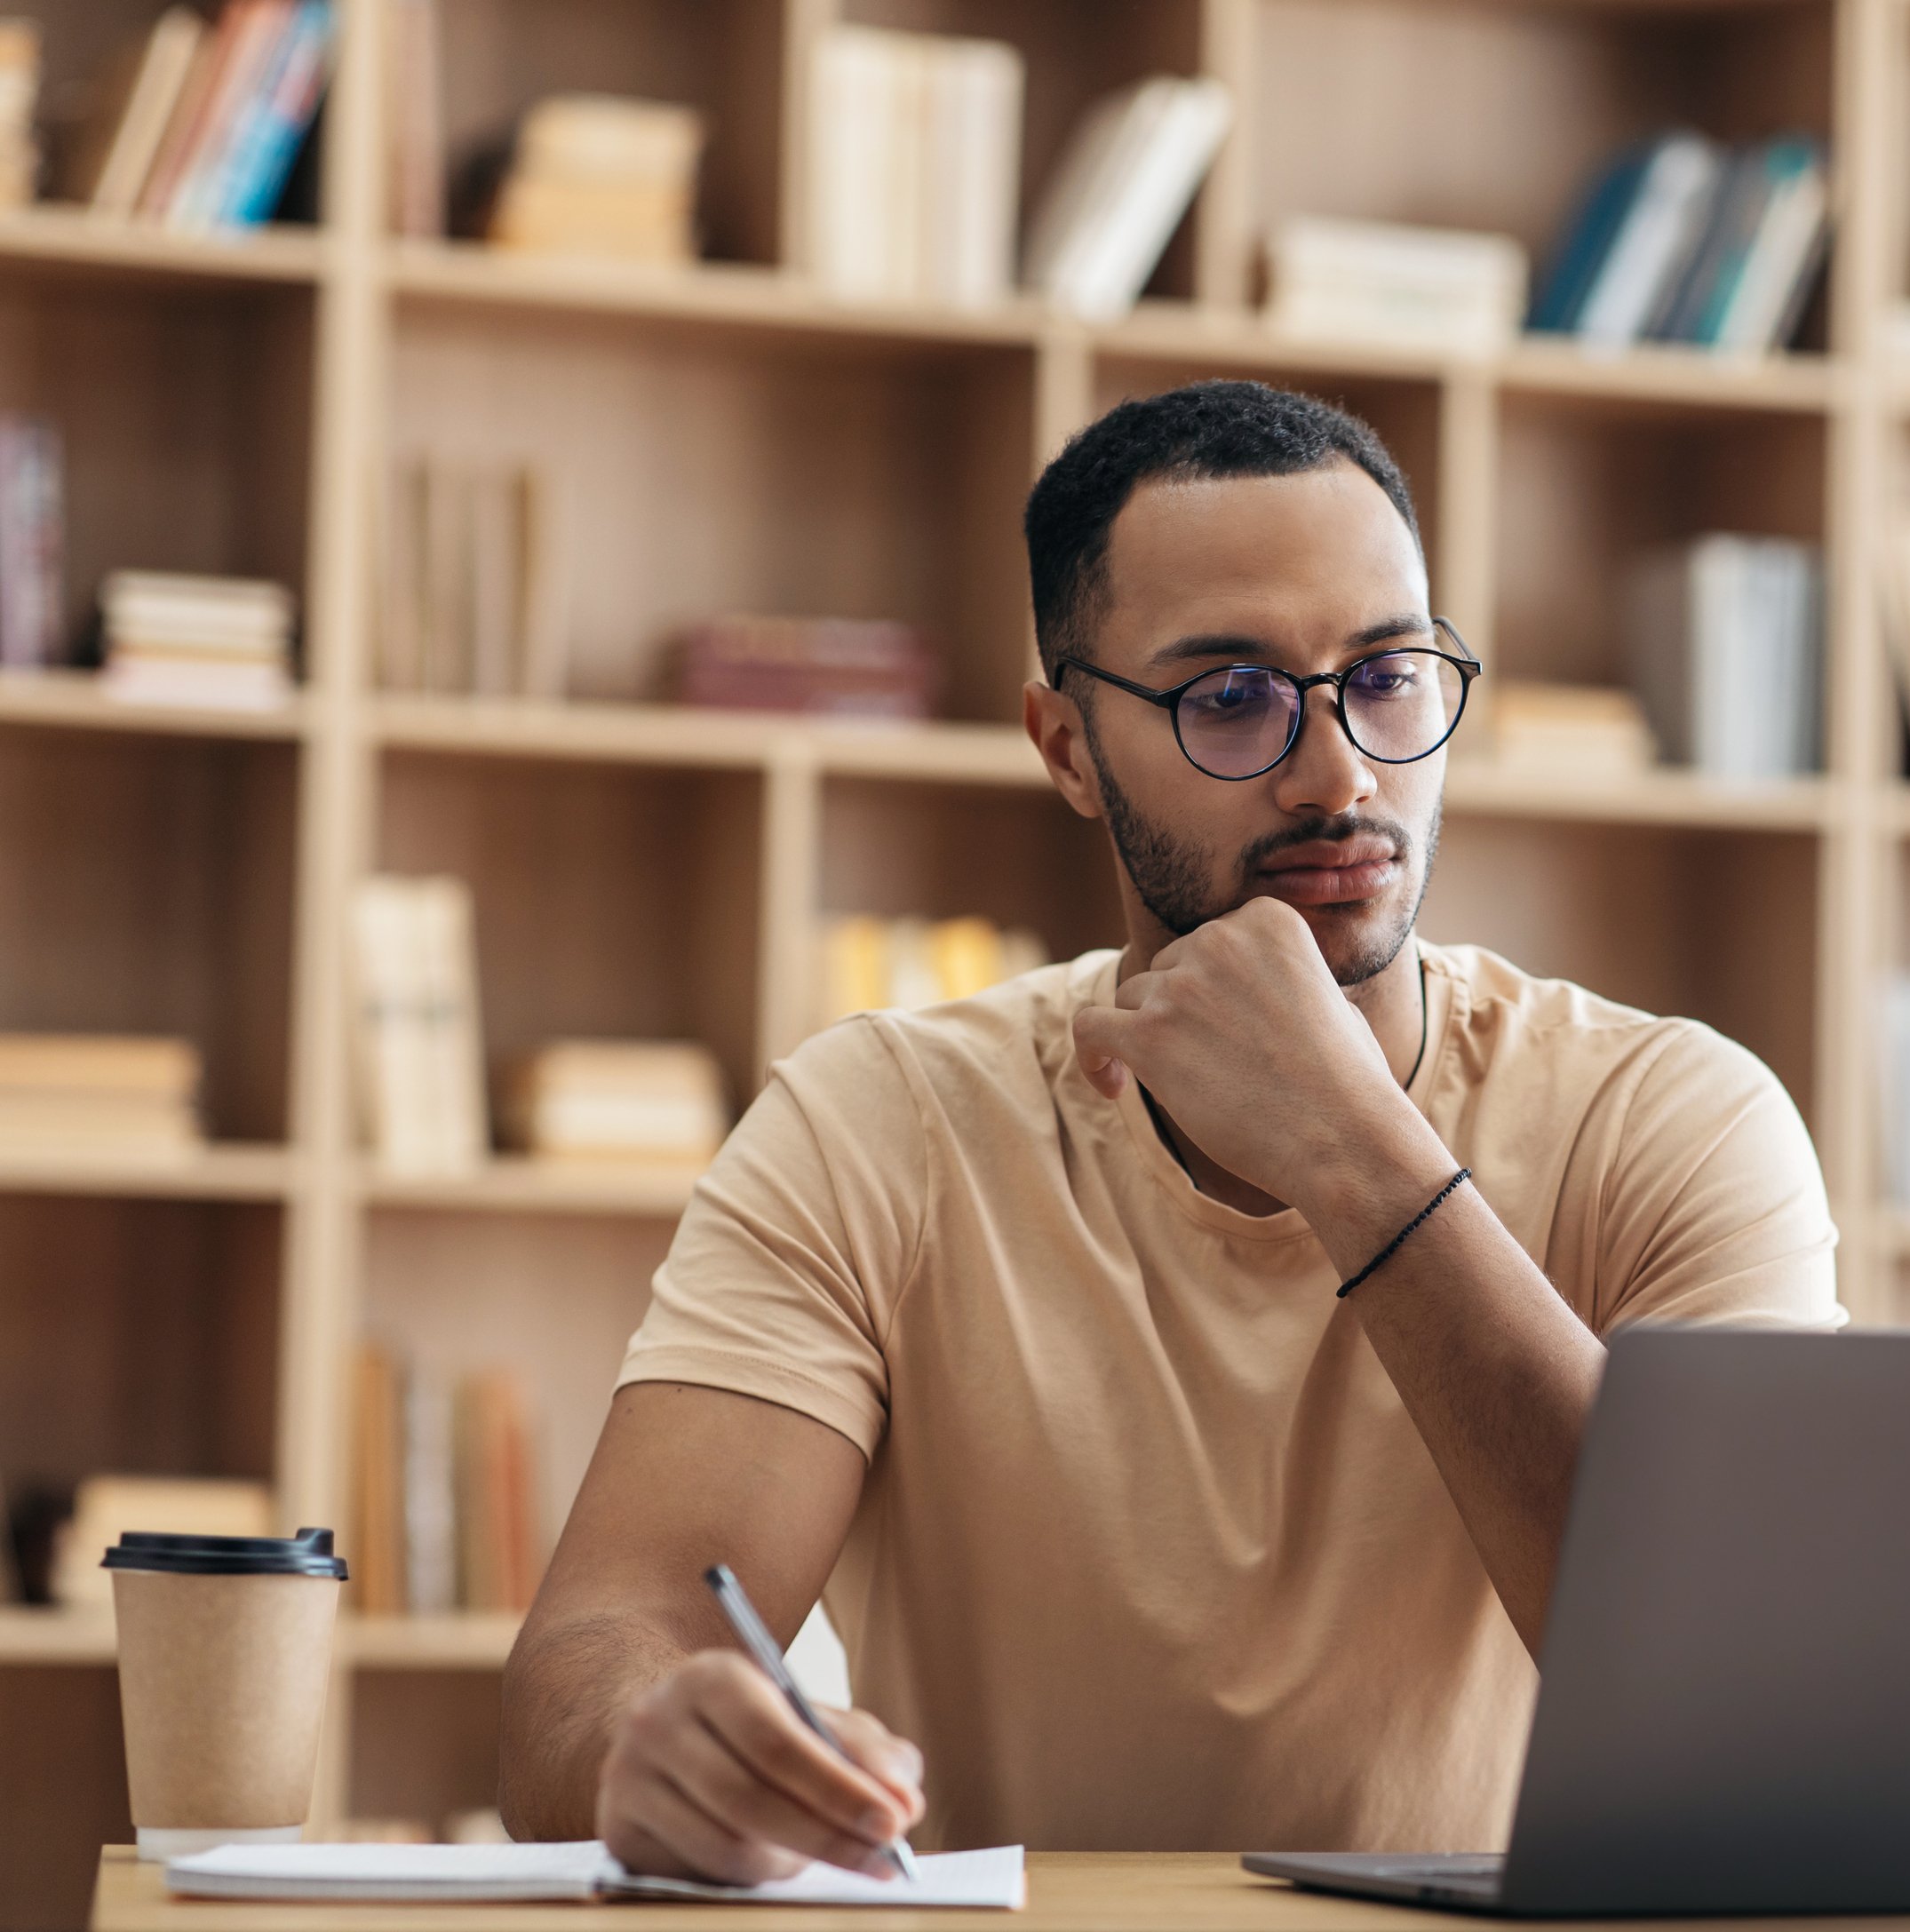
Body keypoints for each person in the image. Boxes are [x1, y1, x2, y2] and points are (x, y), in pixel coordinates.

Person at [499, 379, 1841, 1882]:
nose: (1342, 776)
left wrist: (1350, 1146)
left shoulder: (1671, 1117)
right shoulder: (878, 1120)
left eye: (1387, 679)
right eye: (1231, 698)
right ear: (1068, 749)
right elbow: (600, 1645)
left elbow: (1742, 1681)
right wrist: (654, 1741)